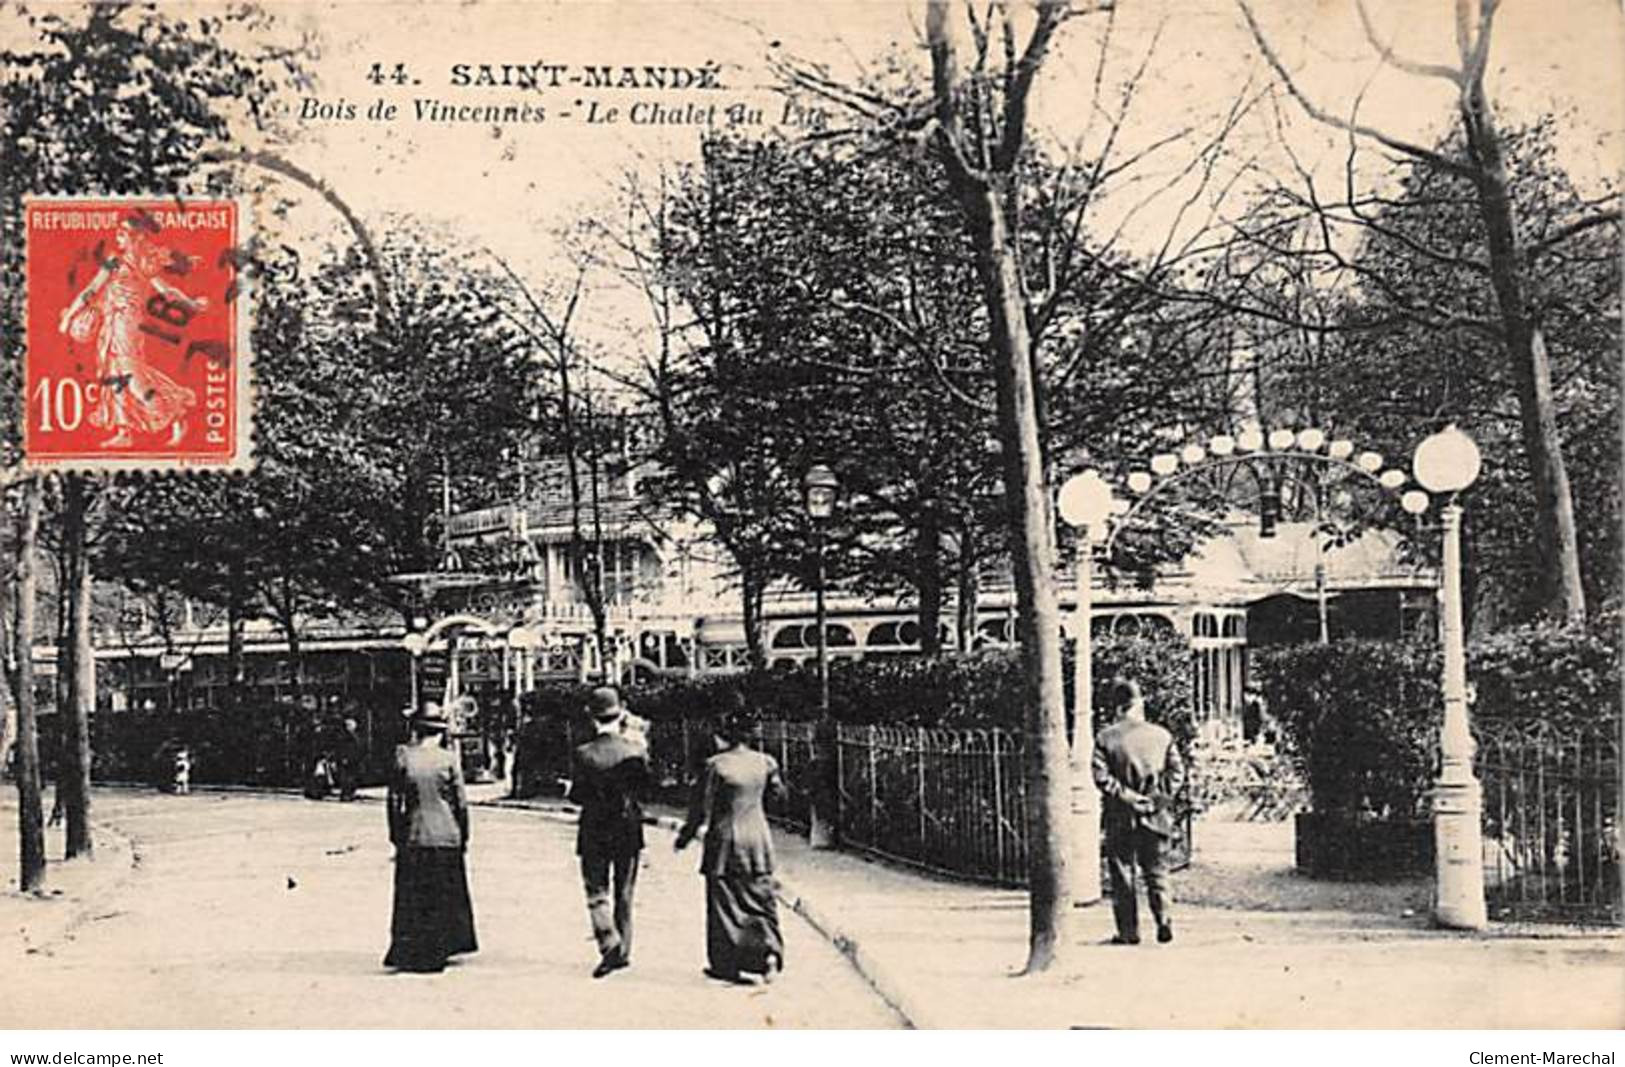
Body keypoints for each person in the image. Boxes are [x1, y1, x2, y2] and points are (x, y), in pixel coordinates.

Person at [57, 222, 204, 448]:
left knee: (133, 378)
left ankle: (174, 415)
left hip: (128, 324)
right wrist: (69, 317)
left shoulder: (144, 264)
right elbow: (92, 289)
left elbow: (166, 290)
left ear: (135, 238)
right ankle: (124, 431)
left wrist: (190, 302)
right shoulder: (113, 261)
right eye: (118, 233)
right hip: (111, 323)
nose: (118, 238)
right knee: (113, 373)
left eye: (123, 234)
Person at [675, 707, 788, 984]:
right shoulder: (766, 762)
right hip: (758, 839)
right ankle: (769, 954)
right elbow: (780, 797)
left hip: (724, 841)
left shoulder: (715, 765)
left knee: (724, 905)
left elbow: (700, 808)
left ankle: (727, 965)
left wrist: (685, 837)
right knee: (761, 899)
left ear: (724, 736)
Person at [384, 704, 477, 973]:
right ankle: (445, 945)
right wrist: (464, 836)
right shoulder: (449, 760)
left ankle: (412, 949)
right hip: (447, 835)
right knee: (445, 894)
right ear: (438, 733)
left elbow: (394, 801)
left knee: (415, 896)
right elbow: (460, 803)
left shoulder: (403, 757)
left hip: (415, 834)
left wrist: (396, 836)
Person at [1092, 678, 1186, 946]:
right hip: (1156, 815)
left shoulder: (1105, 738)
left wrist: (1130, 799)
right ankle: (1164, 919)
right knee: (1157, 870)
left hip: (1120, 815)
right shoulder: (1162, 735)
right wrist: (1155, 800)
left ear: (1118, 707)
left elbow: (1102, 778)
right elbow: (1177, 773)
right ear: (1138, 704)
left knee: (1122, 873)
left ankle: (1128, 931)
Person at [567, 686, 649, 978]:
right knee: (625, 891)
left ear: (592, 717)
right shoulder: (636, 751)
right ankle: (623, 950)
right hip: (628, 829)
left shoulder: (583, 754)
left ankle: (608, 942)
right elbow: (645, 790)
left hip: (594, 830)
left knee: (596, 891)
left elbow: (577, 796)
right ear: (621, 713)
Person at [335, 717, 363, 802]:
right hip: (348, 759)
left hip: (354, 759)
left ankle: (349, 794)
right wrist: (344, 758)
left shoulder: (354, 735)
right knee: (347, 778)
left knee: (351, 778)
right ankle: (346, 794)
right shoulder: (346, 736)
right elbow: (343, 748)